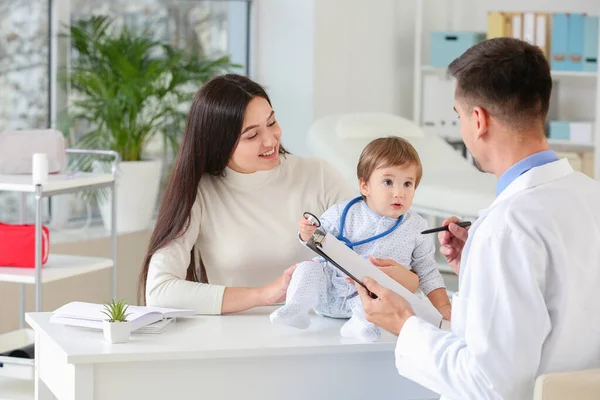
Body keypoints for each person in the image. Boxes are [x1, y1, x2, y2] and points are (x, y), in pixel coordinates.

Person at [352, 38, 600, 399]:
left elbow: (490, 386)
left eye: (458, 115)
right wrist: (476, 267)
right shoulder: (589, 194)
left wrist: (403, 324)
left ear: (479, 119)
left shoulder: (507, 228)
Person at [138, 74, 356, 314]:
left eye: (272, 123)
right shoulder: (201, 192)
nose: (270, 139)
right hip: (236, 336)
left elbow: (370, 249)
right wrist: (264, 294)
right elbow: (159, 291)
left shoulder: (318, 175)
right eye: (252, 135)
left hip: (321, 329)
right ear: (219, 144)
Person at [270, 137, 451, 342]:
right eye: (388, 182)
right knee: (306, 268)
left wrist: (443, 306)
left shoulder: (416, 228)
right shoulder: (343, 213)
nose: (399, 192)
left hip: (369, 299)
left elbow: (427, 271)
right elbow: (317, 239)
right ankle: (296, 308)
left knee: (380, 293)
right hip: (330, 290)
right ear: (365, 186)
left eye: (408, 184)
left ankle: (359, 325)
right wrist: (306, 232)